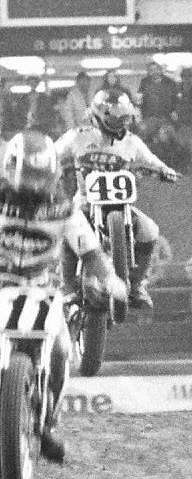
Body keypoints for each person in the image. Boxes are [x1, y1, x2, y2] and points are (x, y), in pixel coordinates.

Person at [0, 130, 129, 462]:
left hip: (43, 288)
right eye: (27, 177)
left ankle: (48, 423)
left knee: (61, 351)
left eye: (39, 178)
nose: (33, 186)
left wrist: (110, 279)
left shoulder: (63, 207)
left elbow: (89, 250)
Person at [55, 90, 181, 309]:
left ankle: (137, 284)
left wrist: (165, 170)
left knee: (150, 231)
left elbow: (150, 160)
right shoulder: (77, 136)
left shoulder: (132, 142)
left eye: (124, 118)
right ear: (98, 116)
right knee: (69, 230)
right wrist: (50, 168)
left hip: (122, 204)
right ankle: (68, 286)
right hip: (85, 202)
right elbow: (54, 153)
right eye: (115, 119)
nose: (120, 124)